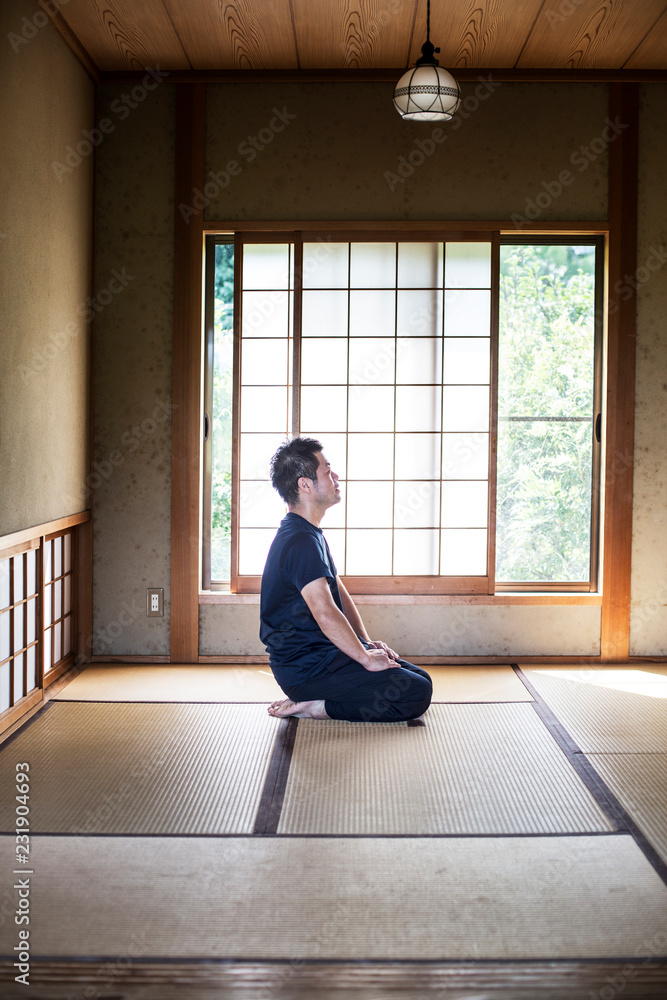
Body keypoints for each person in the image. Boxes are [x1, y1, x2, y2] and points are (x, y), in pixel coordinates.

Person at [259, 436, 433, 722]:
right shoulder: (299, 540)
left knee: (416, 676)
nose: (336, 476)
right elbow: (325, 611)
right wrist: (364, 659)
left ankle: (321, 697)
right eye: (327, 471)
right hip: (305, 669)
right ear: (305, 485)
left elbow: (336, 592)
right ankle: (317, 707)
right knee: (415, 693)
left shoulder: (309, 532)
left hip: (325, 656)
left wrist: (366, 643)